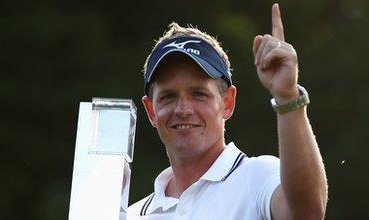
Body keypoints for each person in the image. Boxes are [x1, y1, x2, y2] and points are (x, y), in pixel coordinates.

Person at [127, 3, 328, 219]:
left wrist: (287, 96)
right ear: (151, 111)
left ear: (228, 102)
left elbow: (306, 213)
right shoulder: (130, 214)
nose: (182, 109)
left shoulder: (257, 178)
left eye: (198, 94)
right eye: (168, 96)